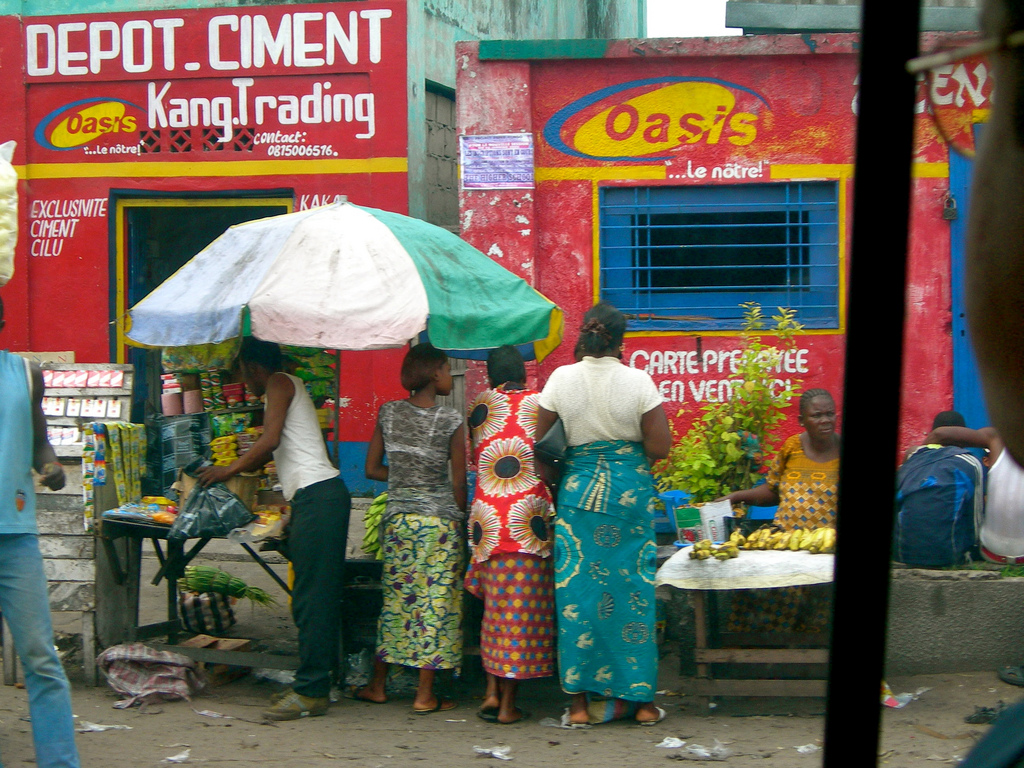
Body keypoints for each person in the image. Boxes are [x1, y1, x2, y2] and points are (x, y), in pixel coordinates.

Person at [198, 337, 350, 721]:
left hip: (320, 498)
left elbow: (271, 439)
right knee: (312, 596)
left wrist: (226, 471)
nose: (243, 384)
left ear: (251, 367)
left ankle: (312, 691)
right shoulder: (289, 386)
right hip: (317, 497)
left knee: (311, 599)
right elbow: (302, 452)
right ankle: (319, 681)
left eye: (241, 374)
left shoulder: (280, 382)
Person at [535, 302, 672, 726]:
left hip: (578, 498)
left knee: (579, 597)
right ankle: (643, 703)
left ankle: (579, 706)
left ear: (586, 335)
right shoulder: (638, 381)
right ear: (620, 340)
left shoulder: (561, 378)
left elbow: (542, 450)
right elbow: (659, 447)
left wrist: (562, 488)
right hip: (628, 497)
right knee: (634, 593)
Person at [356, 343, 468, 713]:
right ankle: (424, 694)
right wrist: (462, 522)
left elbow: (372, 469)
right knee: (436, 603)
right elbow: (457, 484)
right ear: (434, 372)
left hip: (400, 522)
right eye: (445, 369)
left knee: (396, 602)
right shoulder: (451, 420)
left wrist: (405, 479)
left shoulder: (388, 413)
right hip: (438, 525)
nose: (449, 375)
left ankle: (377, 685)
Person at [0, 294, 80, 767]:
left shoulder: (27, 374)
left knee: (41, 658)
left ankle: (60, 762)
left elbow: (40, 443)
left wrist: (51, 468)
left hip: (17, 539)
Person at [464, 345, 555, 724]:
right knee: (521, 615)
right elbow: (552, 459)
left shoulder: (478, 407)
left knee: (494, 612)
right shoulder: (540, 403)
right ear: (525, 371)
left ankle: (489, 692)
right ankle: (507, 706)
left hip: (486, 523)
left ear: (488, 375)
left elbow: (476, 457)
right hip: (526, 523)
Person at [719, 388, 840, 634]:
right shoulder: (791, 447)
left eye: (830, 414)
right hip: (782, 542)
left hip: (824, 549)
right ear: (801, 420)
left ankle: (804, 660)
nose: (825, 420)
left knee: (816, 612)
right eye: (817, 415)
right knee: (759, 590)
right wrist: (736, 497)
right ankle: (758, 654)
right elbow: (773, 490)